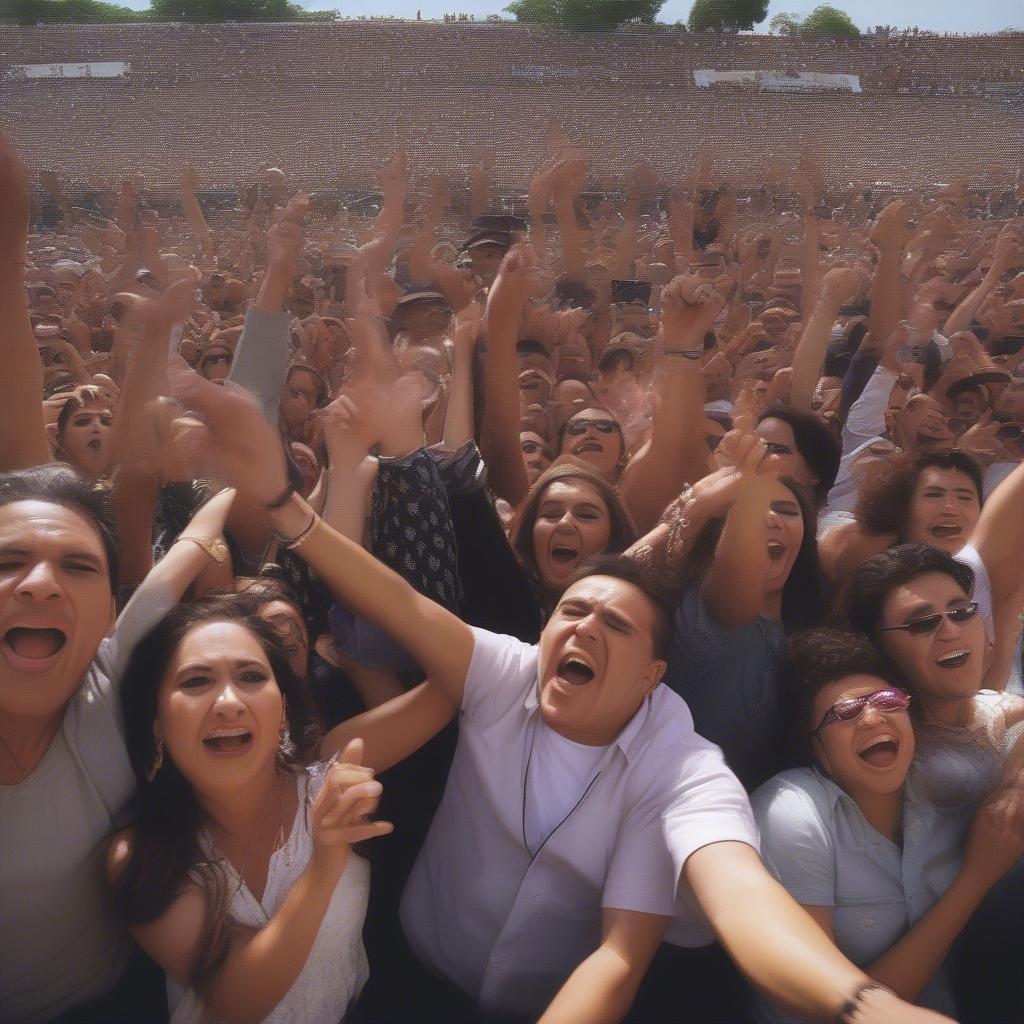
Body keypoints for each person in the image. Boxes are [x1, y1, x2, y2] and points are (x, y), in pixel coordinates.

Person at [168, 355, 951, 1024]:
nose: (580, 630)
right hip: (410, 977)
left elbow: (690, 918)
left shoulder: (679, 765)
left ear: (652, 677)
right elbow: (398, 604)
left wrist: (862, 1006)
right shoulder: (508, 669)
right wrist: (283, 503)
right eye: (571, 613)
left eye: (614, 627)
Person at [0, 466, 235, 1024]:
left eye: (77, 566)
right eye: (7, 561)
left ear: (110, 615)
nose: (39, 583)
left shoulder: (112, 683)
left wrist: (234, 484)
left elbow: (182, 558)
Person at [107, 599, 391, 1024]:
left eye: (251, 677)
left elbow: (454, 683)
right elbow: (236, 1001)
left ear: (282, 713)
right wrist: (324, 865)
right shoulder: (141, 858)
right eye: (197, 681)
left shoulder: (334, 793)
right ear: (158, 723)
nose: (228, 702)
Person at [753, 629, 1024, 1022]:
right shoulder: (793, 813)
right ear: (819, 752)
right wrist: (975, 879)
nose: (873, 716)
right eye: (844, 712)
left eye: (887, 699)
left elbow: (1004, 715)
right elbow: (829, 1012)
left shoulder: (935, 788)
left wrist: (1014, 786)